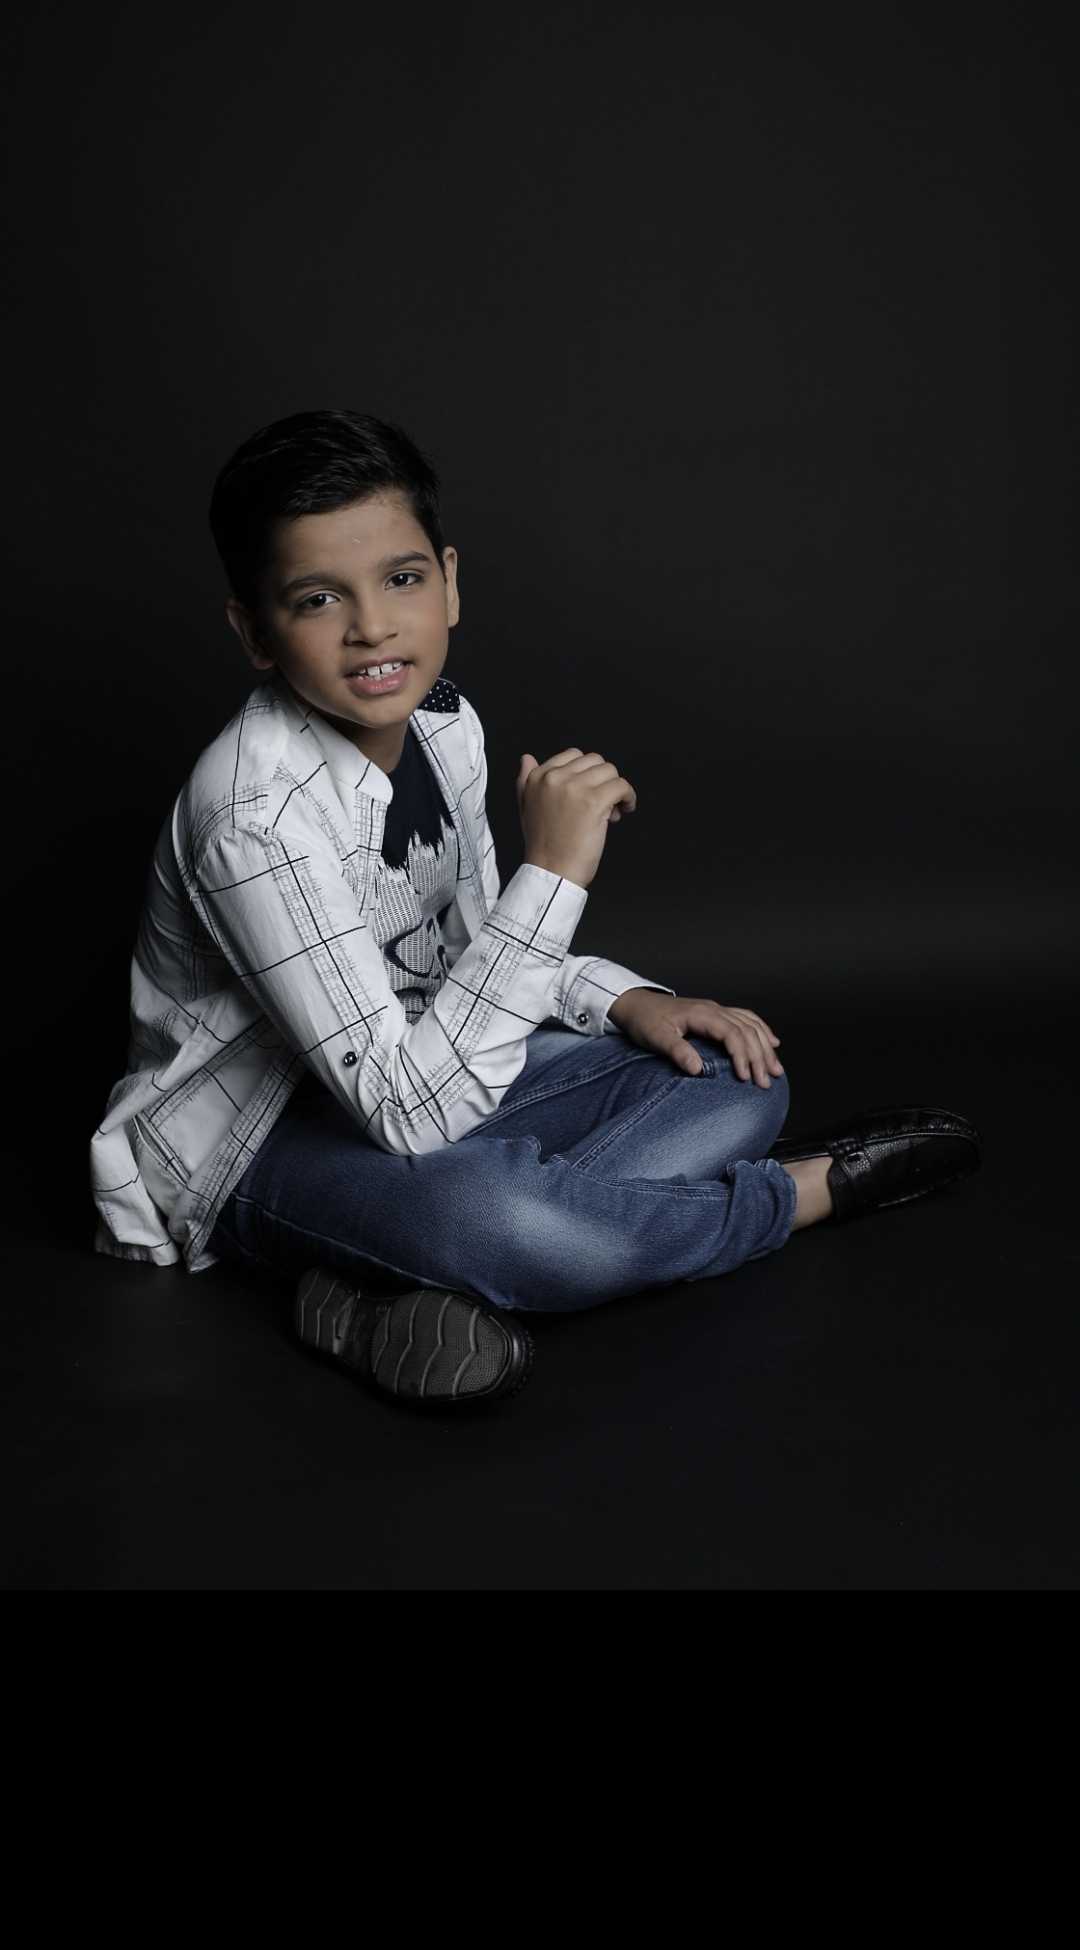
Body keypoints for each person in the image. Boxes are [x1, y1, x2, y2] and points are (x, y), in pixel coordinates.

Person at [91, 411, 981, 1408]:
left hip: (433, 1073)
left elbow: (472, 964)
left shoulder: (445, 725)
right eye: (317, 599)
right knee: (498, 1219)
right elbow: (410, 1113)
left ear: (450, 582)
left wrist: (626, 1001)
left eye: (401, 578)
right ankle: (793, 1196)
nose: (372, 627)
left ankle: (390, 1279)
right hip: (260, 1142)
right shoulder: (253, 817)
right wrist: (554, 875)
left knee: (736, 1077)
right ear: (255, 631)